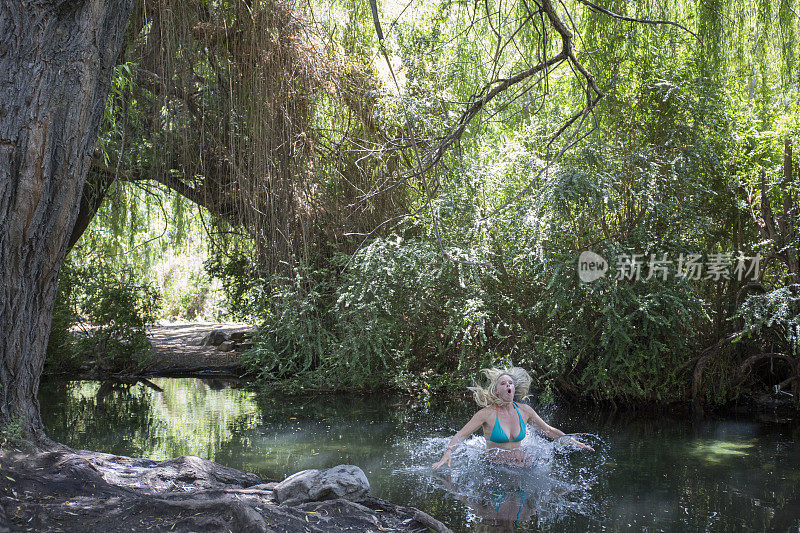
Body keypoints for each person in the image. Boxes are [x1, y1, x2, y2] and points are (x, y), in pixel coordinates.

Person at [432, 367, 593, 470]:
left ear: (514, 388)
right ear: (496, 391)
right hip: (494, 469)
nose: (508, 385)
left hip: (522, 467)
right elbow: (462, 435)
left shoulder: (525, 411)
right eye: (503, 384)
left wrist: (571, 440)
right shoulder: (486, 414)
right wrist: (447, 453)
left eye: (510, 383)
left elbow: (548, 431)